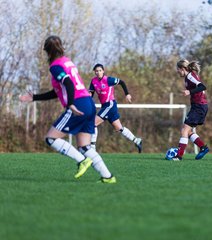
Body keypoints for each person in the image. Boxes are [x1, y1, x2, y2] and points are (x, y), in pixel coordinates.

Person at [19, 35, 116, 183]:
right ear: (61, 47)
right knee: (84, 146)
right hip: (88, 103)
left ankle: (81, 161)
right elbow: (58, 90)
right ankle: (108, 177)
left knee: (51, 138)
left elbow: (69, 84)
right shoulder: (67, 62)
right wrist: (35, 98)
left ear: (47, 51)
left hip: (78, 103)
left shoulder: (55, 66)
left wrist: (70, 104)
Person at [89, 63, 142, 153]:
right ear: (94, 72)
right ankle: (137, 140)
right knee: (119, 128)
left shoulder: (108, 80)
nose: (98, 72)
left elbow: (122, 82)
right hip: (105, 106)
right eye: (96, 71)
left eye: (100, 70)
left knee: (93, 123)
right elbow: (91, 93)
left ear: (103, 71)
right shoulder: (93, 81)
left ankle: (92, 149)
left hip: (110, 105)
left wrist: (127, 94)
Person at [170, 59, 209, 160]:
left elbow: (202, 86)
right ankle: (203, 147)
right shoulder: (188, 77)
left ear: (183, 69)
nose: (177, 71)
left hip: (199, 106)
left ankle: (179, 156)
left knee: (184, 130)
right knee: (187, 131)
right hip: (198, 106)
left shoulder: (190, 76)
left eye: (178, 69)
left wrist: (189, 92)